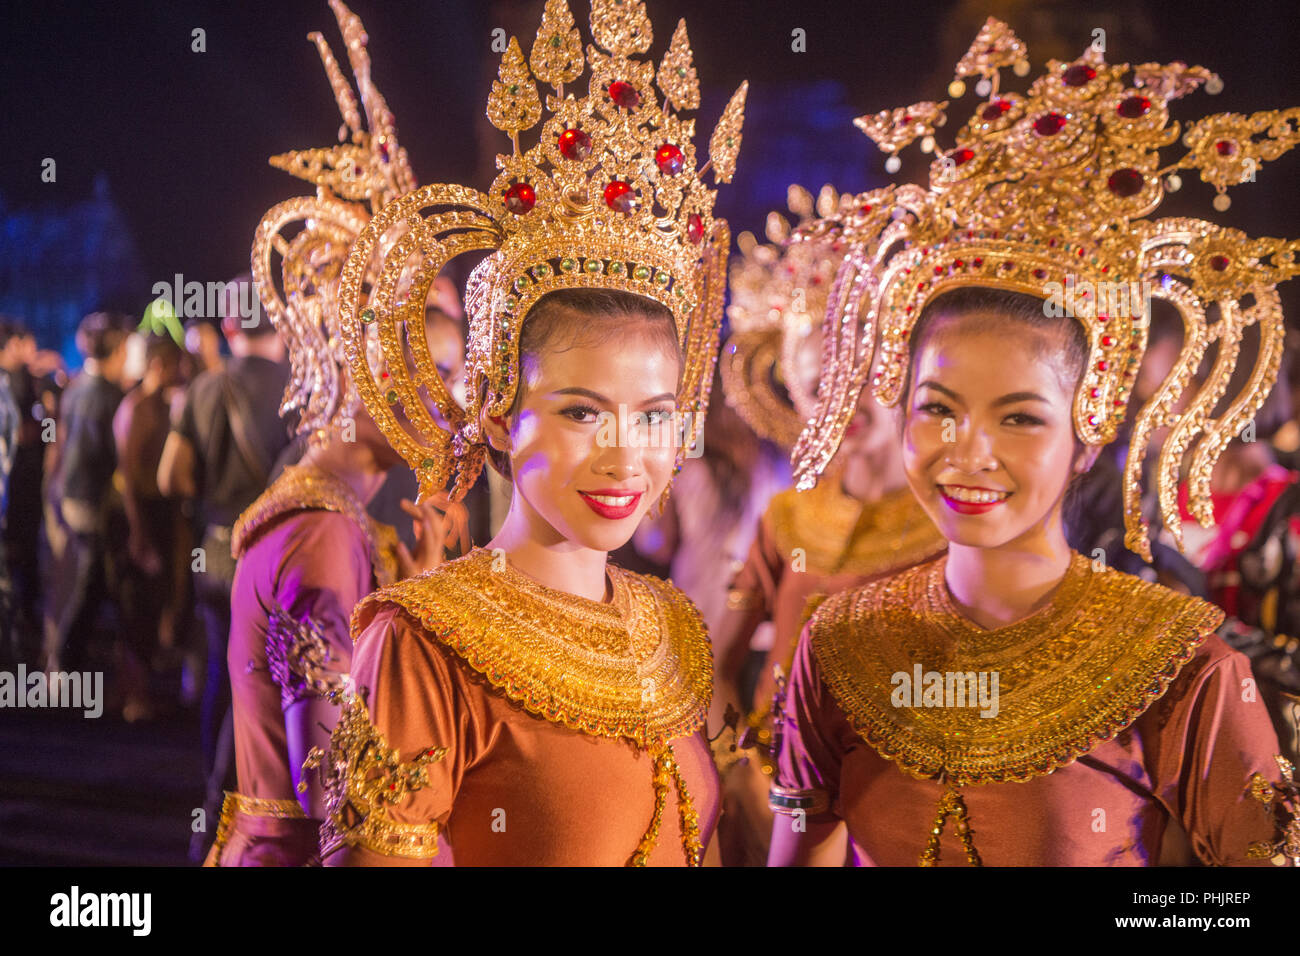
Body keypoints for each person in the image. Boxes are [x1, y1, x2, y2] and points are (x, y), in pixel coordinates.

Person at [769, 19, 1296, 866]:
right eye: (938, 408)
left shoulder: (1183, 669)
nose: (967, 453)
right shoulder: (839, 648)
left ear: (1089, 430)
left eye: (1019, 418)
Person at [309, 0, 747, 866]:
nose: (628, 456)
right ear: (502, 413)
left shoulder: (671, 627)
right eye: (583, 411)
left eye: (654, 414)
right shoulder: (424, 642)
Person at [204, 0, 467, 866]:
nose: (458, 410)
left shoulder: (332, 514)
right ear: (371, 373)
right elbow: (342, 799)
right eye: (443, 378)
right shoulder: (321, 538)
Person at [158, 274, 293, 857]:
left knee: (222, 665)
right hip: (279, 557)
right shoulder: (302, 386)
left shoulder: (206, 389)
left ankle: (212, 801)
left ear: (230, 326)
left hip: (215, 552)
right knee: (271, 684)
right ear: (283, 325)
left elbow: (170, 477)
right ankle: (255, 811)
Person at [42, 312, 135, 673]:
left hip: (71, 496)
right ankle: (65, 665)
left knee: (89, 580)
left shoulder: (76, 386)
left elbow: (62, 442)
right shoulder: (111, 396)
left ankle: (68, 665)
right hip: (95, 502)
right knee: (94, 584)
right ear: (115, 350)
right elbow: (119, 459)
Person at [112, 332, 185, 721]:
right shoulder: (136, 407)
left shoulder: (160, 403)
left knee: (148, 606)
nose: (181, 371)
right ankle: (132, 697)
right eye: (175, 364)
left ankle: (134, 692)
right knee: (136, 608)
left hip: (155, 515)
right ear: (158, 365)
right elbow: (127, 476)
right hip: (137, 517)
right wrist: (139, 533)